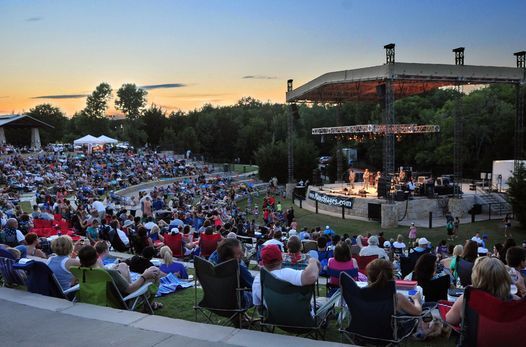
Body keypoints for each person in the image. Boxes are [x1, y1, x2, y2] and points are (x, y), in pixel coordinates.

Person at [77, 245, 163, 309]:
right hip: (123, 301)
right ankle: (148, 307)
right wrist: (144, 276)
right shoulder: (109, 273)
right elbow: (130, 289)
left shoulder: (79, 271)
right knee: (155, 271)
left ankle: (150, 305)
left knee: (122, 265)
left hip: (99, 299)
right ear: (97, 256)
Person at [446, 257, 520, 326]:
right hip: (506, 338)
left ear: (476, 278)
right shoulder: (516, 302)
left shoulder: (466, 300)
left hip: (476, 339)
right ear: (505, 277)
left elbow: (450, 319)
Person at [252, 244, 321, 307]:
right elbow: (312, 276)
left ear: (263, 262)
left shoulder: (258, 280)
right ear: (281, 259)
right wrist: (313, 261)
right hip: (301, 318)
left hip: (273, 319)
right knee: (323, 301)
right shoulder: (287, 274)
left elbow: (258, 305)